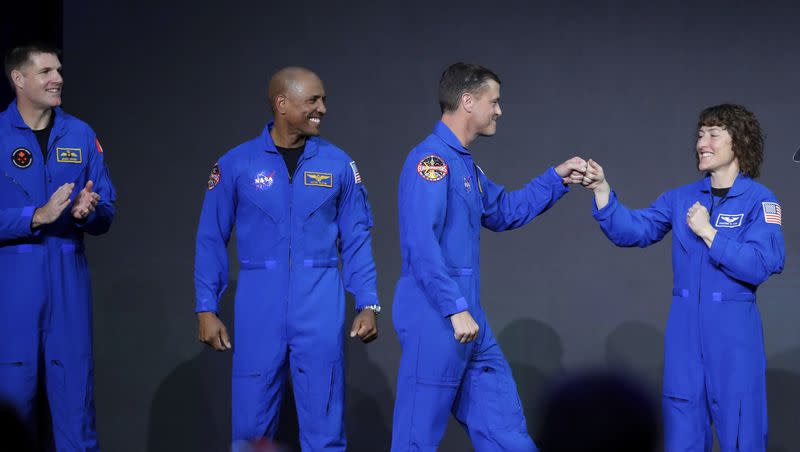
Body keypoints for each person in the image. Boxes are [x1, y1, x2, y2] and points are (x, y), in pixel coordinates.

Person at [390, 62, 586, 451]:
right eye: (493, 102)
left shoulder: (465, 165)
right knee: (416, 438)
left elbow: (504, 210)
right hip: (437, 315)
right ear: (467, 101)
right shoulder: (431, 162)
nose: (499, 110)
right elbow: (421, 244)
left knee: (504, 431)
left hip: (468, 317)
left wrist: (556, 178)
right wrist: (453, 307)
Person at [194, 67, 380, 451]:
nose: (322, 109)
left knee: (325, 429)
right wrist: (205, 308)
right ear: (282, 104)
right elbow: (211, 238)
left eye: (323, 99)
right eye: (313, 100)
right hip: (259, 304)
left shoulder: (339, 165)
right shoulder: (236, 164)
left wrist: (367, 301)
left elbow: (357, 239)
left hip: (320, 303)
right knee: (251, 430)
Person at [581, 104, 784, 451]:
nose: (702, 142)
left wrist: (709, 233)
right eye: (700, 134)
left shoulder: (759, 201)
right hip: (684, 335)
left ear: (740, 142)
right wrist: (603, 191)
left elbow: (763, 263)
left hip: (734, 336)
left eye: (714, 134)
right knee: (682, 430)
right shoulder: (681, 198)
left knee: (742, 431)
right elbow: (635, 230)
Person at [0, 43, 116, 450]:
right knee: (12, 400)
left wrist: (89, 212)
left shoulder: (80, 134)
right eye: (47, 71)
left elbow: (107, 207)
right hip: (12, 284)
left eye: (59, 70)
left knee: (76, 404)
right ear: (18, 79)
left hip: (68, 277)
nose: (58, 79)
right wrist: (34, 216)